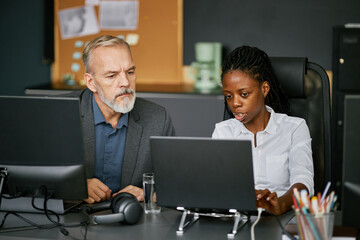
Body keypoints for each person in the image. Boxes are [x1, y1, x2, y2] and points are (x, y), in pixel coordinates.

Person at [212, 46, 314, 215]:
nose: (235, 103)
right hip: (236, 221)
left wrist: (280, 203)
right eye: (229, 95)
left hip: (282, 218)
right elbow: (215, 184)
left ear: (264, 89)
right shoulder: (223, 132)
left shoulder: (294, 128)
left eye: (244, 94)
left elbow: (303, 181)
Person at [79, 35, 175, 204]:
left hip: (133, 223)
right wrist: (76, 187)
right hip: (73, 222)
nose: (125, 82)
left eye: (130, 72)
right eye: (112, 75)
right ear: (91, 82)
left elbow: (177, 185)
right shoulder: (61, 113)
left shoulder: (158, 119)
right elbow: (32, 179)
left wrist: (147, 194)